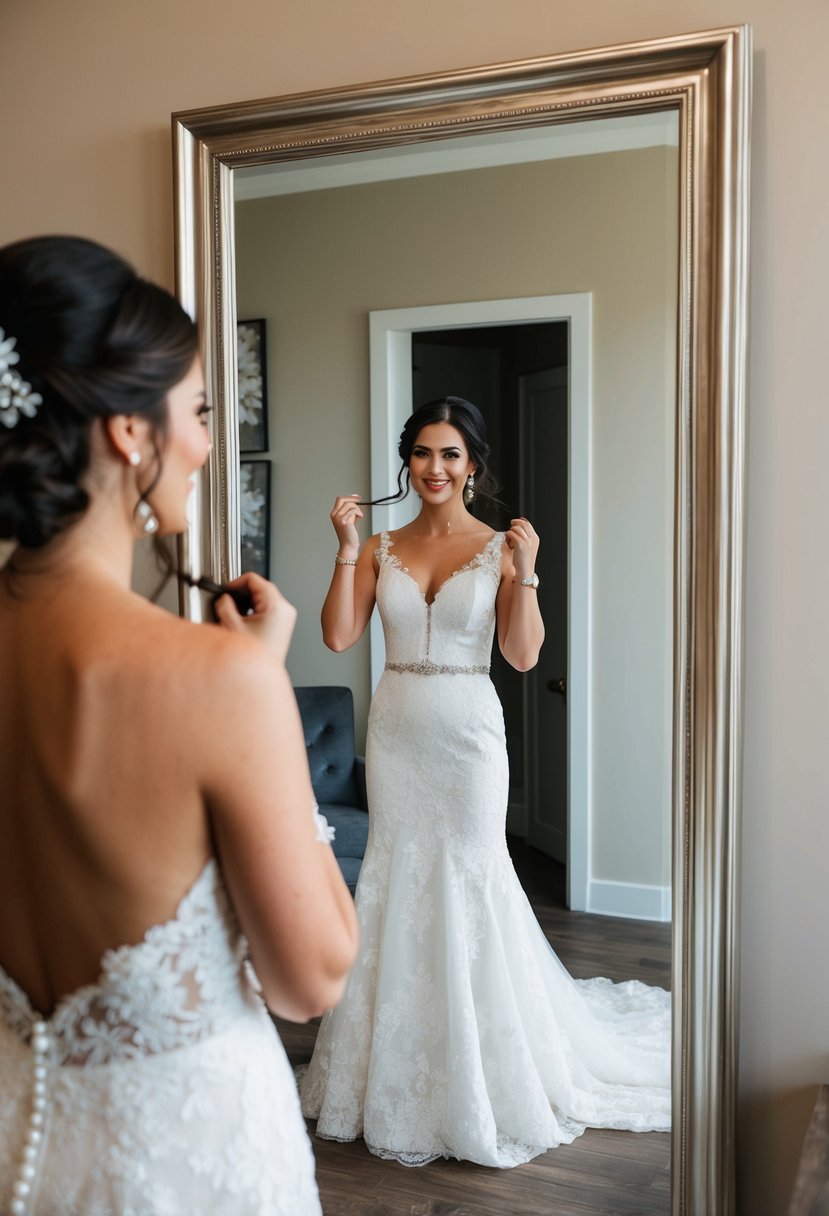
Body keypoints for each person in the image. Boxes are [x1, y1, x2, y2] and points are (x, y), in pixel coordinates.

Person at [0, 235, 358, 1215]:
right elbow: (310, 978)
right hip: (190, 1167)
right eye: (199, 411)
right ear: (128, 431)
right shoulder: (217, 681)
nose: (206, 443)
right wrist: (258, 688)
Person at [298, 396, 671, 1168]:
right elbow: (338, 636)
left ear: (473, 465)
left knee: (472, 878)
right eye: (423, 453)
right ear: (407, 461)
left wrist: (528, 574)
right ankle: (393, 1060)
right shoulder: (379, 548)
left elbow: (524, 655)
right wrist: (343, 545)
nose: (435, 468)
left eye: (451, 455)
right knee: (395, 877)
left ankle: (484, 1060)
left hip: (469, 734)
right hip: (398, 731)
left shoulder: (502, 547)